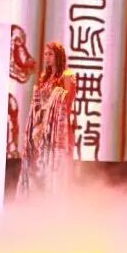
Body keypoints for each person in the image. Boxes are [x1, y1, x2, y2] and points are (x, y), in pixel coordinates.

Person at [18, 41, 77, 195]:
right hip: (40, 132)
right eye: (45, 54)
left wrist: (50, 108)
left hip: (58, 130)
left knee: (57, 170)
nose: (47, 57)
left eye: (50, 54)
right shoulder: (45, 77)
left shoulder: (67, 75)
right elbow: (38, 104)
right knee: (39, 171)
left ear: (59, 56)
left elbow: (67, 102)